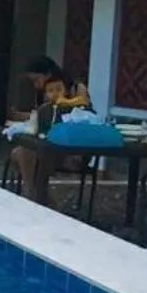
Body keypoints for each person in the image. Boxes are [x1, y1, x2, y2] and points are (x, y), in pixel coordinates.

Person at [11, 68, 95, 205]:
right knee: (20, 152)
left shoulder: (77, 109)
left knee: (27, 153)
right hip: (46, 148)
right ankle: (37, 195)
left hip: (67, 152)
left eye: (58, 89)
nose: (55, 93)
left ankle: (33, 196)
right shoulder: (45, 109)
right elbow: (38, 129)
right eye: (50, 90)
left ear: (66, 91)